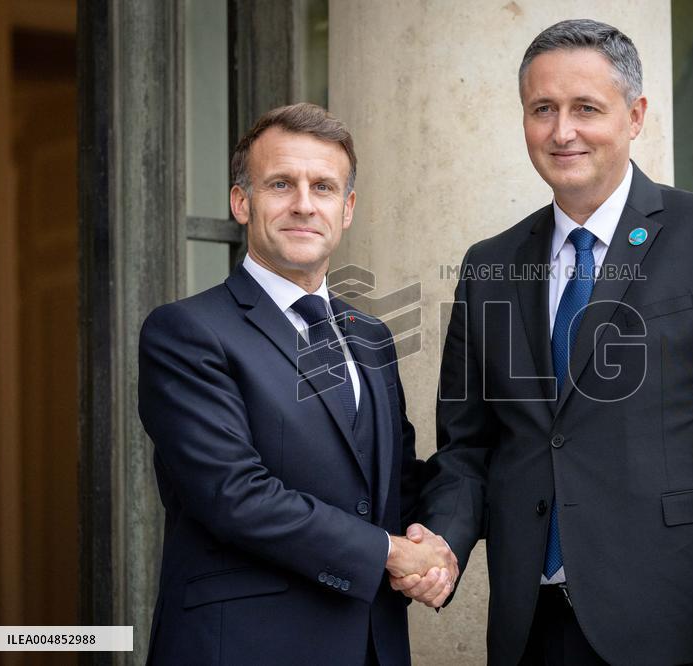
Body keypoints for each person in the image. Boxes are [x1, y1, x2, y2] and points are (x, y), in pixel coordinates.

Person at [396, 19, 693, 665]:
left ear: (635, 114)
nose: (562, 132)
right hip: (530, 622)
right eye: (543, 110)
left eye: (586, 108)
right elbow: (470, 447)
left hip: (678, 621)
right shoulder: (491, 264)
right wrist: (444, 541)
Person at [138, 103, 456, 665]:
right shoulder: (187, 332)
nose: (304, 205)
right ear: (242, 201)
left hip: (370, 648)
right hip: (243, 647)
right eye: (281, 184)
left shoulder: (373, 337)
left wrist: (438, 547)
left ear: (347, 208)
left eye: (324, 187)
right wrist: (388, 553)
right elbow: (234, 495)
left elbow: (395, 486)